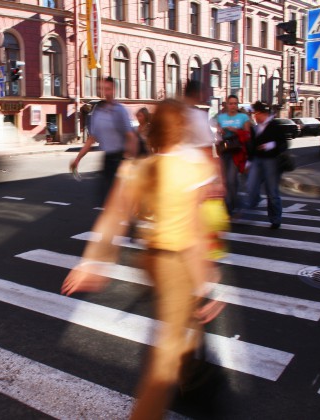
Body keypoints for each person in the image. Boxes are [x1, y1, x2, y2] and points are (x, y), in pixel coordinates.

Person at [62, 99, 218, 418]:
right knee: (165, 360)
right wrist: (205, 280)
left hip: (149, 260)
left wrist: (92, 262)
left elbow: (112, 217)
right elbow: (196, 229)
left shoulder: (137, 168)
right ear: (183, 130)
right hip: (178, 262)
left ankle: (191, 375)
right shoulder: (193, 169)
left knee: (181, 321)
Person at [70, 76, 138, 205]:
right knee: (106, 200)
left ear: (114, 90)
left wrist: (131, 162)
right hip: (107, 160)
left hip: (120, 160)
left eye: (108, 89)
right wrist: (77, 159)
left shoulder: (120, 111)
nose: (106, 92)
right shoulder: (99, 112)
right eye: (103, 89)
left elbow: (131, 137)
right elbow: (91, 139)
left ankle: (127, 222)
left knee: (120, 201)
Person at [245, 101, 287, 229]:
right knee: (251, 185)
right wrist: (249, 161)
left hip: (271, 161)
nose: (254, 117)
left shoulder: (275, 125)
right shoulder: (255, 128)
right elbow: (251, 146)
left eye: (255, 114)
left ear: (263, 113)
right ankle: (252, 204)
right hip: (257, 160)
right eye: (253, 114)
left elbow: (283, 144)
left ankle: (275, 218)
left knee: (272, 191)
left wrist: (269, 145)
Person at [216, 94, 251, 217]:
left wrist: (235, 130)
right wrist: (219, 129)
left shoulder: (243, 117)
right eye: (231, 103)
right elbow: (215, 129)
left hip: (236, 151)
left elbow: (247, 134)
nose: (233, 106)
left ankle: (230, 206)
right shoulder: (221, 117)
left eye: (235, 103)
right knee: (226, 180)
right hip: (224, 150)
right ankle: (230, 204)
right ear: (226, 105)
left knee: (231, 179)